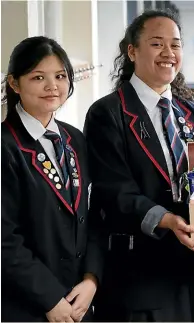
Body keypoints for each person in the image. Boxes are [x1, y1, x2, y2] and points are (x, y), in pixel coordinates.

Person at [84, 9, 194, 322]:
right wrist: (169, 221)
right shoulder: (108, 114)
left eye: (175, 45)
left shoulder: (191, 113)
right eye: (157, 44)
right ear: (132, 51)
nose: (168, 53)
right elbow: (115, 192)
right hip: (142, 276)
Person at [1, 36, 102, 322]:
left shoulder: (76, 140)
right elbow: (4, 239)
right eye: (38, 77)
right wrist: (49, 298)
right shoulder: (5, 146)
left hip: (79, 302)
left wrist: (92, 279)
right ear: (14, 83)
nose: (52, 86)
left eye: (60, 76)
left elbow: (93, 215)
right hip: (25, 306)